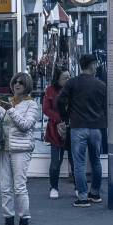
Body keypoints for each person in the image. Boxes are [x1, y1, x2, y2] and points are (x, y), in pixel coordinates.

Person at [0, 72, 41, 225]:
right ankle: (8, 222)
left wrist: (10, 110)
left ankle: (24, 222)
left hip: (20, 149)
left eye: (21, 82)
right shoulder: (8, 102)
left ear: (26, 85)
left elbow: (25, 125)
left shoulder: (32, 105)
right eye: (15, 82)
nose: (17, 85)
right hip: (3, 148)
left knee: (19, 187)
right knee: (5, 187)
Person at [58, 54, 107, 208]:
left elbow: (60, 101)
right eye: (96, 64)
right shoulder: (101, 85)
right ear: (92, 65)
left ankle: (83, 197)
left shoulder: (73, 83)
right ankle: (95, 193)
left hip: (78, 126)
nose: (97, 66)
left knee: (79, 164)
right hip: (96, 127)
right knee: (95, 160)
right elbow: (106, 106)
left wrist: (65, 117)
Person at [41, 68, 73, 199]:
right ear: (58, 79)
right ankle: (53, 187)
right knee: (55, 162)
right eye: (65, 77)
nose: (68, 80)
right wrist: (60, 119)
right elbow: (46, 109)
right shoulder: (50, 90)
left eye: (69, 77)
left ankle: (78, 187)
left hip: (72, 128)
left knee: (74, 161)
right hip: (55, 129)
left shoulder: (73, 89)